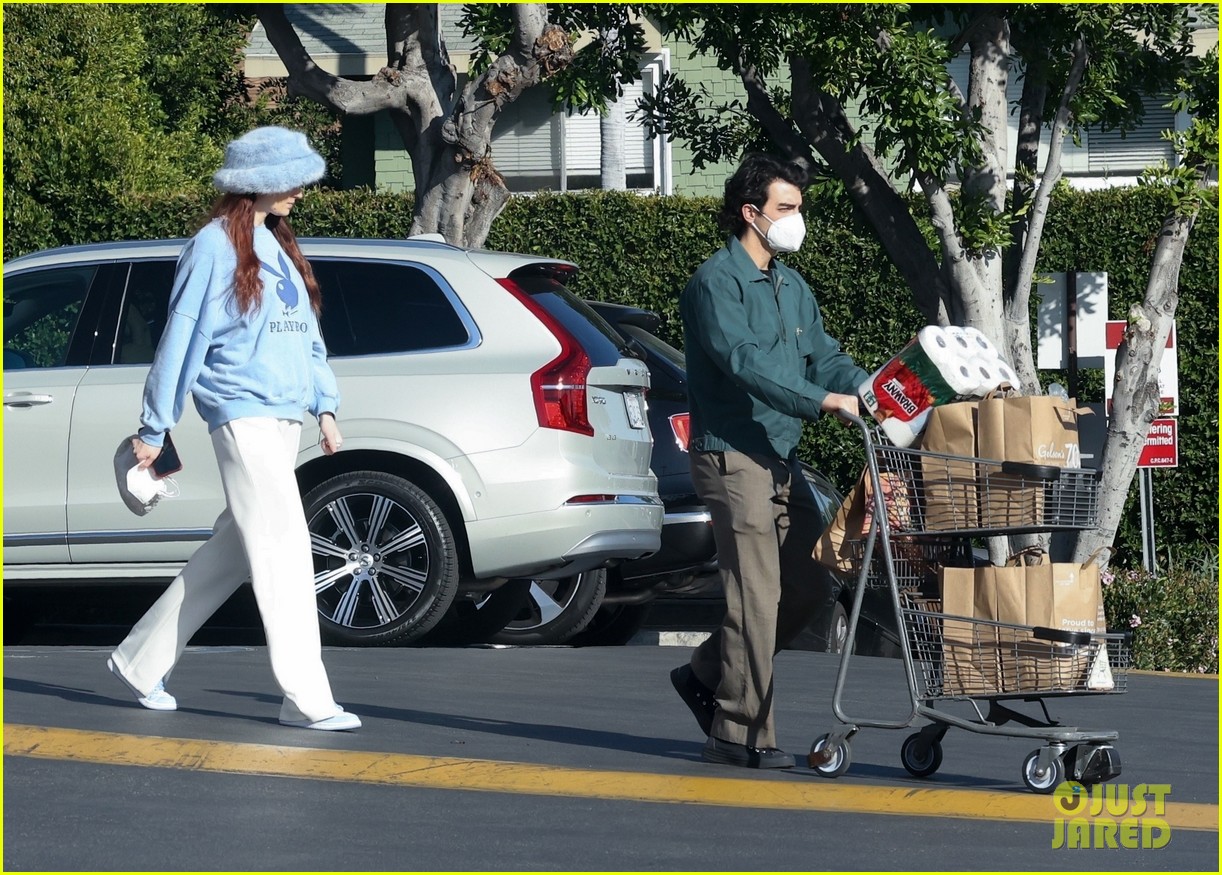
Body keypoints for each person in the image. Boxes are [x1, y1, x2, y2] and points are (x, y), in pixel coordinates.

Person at [106, 126, 360, 731]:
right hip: (239, 413)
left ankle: (140, 661)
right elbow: (183, 336)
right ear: (258, 184)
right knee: (286, 547)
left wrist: (325, 406)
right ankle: (304, 697)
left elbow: (307, 339)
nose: (300, 190)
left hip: (283, 417)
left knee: (239, 549)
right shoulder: (212, 247)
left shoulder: (278, 247)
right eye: (290, 179)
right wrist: (154, 425)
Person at [670, 153, 867, 768]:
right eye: (786, 209)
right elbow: (746, 364)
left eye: (798, 209)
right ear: (750, 213)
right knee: (755, 594)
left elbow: (825, 357)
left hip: (781, 455)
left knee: (811, 580)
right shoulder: (716, 283)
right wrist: (825, 401)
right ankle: (739, 733)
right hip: (733, 457)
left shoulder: (790, 284)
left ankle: (705, 671)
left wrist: (873, 389)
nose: (795, 220)